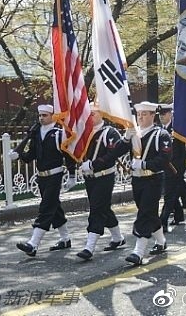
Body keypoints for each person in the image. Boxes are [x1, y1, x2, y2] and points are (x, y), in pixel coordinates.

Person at [107, 101, 173, 265]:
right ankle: (161, 241)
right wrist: (125, 139)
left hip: (153, 179)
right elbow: (116, 151)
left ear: (153, 115)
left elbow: (165, 159)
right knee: (149, 212)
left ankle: (138, 251)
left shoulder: (161, 135)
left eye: (145, 114)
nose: (141, 117)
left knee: (144, 213)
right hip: (137, 179)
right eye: (139, 114)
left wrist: (145, 164)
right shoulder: (134, 133)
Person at [11, 104, 76, 257]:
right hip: (41, 177)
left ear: (52, 116)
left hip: (55, 175)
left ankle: (33, 244)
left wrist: (72, 175)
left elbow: (68, 156)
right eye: (40, 115)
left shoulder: (59, 133)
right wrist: (18, 155)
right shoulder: (37, 133)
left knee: (46, 208)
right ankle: (65, 239)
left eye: (45, 115)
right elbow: (32, 155)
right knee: (54, 208)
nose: (41, 118)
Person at [76, 103, 126, 260]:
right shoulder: (85, 132)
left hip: (105, 176)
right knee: (103, 208)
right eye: (89, 114)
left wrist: (93, 164)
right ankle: (118, 238)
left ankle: (89, 247)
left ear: (102, 114)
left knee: (97, 209)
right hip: (90, 177)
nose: (91, 117)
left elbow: (113, 154)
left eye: (94, 113)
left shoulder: (110, 132)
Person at [158, 104, 186, 232]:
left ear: (170, 114)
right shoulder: (159, 130)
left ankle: (163, 220)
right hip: (163, 167)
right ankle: (179, 215)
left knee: (169, 195)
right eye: (160, 115)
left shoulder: (178, 130)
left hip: (176, 167)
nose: (161, 117)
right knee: (172, 193)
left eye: (164, 114)